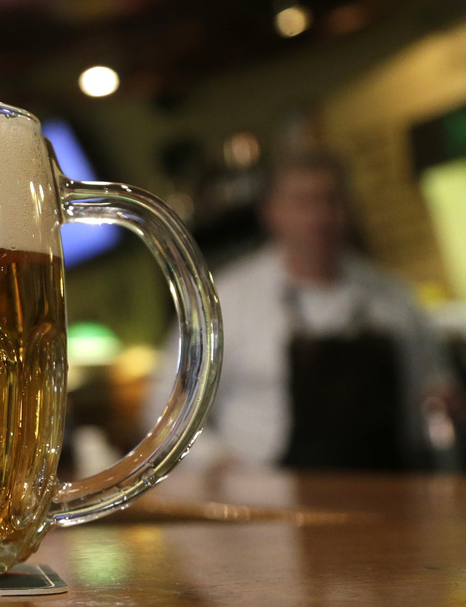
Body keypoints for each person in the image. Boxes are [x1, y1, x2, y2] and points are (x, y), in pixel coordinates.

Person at [150, 152, 456, 470]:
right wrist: (220, 465)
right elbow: (165, 412)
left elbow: (434, 390)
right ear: (271, 212)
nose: (320, 217)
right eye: (304, 202)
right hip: (268, 491)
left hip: (387, 487)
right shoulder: (225, 302)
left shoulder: (394, 297)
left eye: (331, 200)